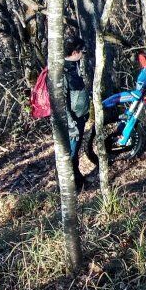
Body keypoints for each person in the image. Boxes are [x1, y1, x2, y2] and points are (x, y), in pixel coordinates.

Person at [63, 36, 91, 188]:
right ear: (75, 52)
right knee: (71, 154)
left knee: (75, 152)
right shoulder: (63, 71)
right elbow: (61, 102)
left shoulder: (75, 66)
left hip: (79, 117)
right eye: (82, 51)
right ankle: (71, 187)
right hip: (72, 121)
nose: (84, 54)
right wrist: (71, 124)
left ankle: (78, 180)